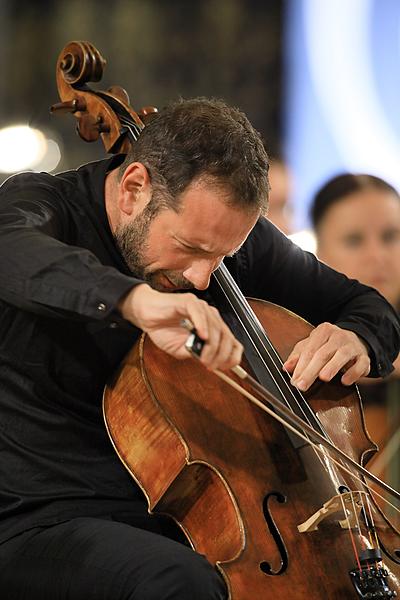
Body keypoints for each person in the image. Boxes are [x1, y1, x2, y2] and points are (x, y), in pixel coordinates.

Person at [0, 98, 398, 600]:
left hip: (185, 521)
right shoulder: (40, 206)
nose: (202, 277)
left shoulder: (219, 237)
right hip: (42, 519)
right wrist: (132, 299)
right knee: (177, 582)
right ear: (133, 188)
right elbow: (10, 253)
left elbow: (364, 304)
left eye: (223, 256)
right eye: (189, 249)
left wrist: (359, 334)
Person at [310, 172, 400, 511]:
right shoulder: (294, 330)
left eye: (391, 236)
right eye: (354, 240)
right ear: (318, 251)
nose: (377, 256)